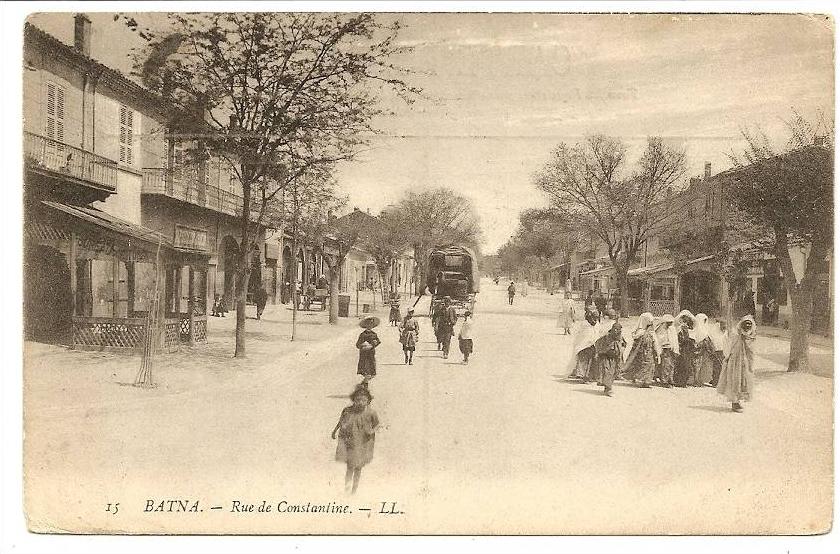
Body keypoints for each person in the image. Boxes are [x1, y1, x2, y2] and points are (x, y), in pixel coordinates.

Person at [332, 384, 380, 494]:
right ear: (354, 400)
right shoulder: (347, 410)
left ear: (368, 401)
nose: (361, 402)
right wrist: (334, 430)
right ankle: (347, 489)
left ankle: (354, 491)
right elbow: (340, 421)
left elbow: (377, 424)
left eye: (364, 400)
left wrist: (372, 431)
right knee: (350, 466)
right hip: (350, 441)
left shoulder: (371, 412)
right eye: (358, 399)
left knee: (358, 467)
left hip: (364, 442)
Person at [716, 315, 757, 413]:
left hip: (745, 362)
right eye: (745, 325)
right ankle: (734, 403)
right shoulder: (735, 335)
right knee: (734, 381)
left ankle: (738, 402)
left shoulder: (751, 337)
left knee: (744, 381)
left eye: (749, 325)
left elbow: (752, 351)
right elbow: (728, 346)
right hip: (734, 362)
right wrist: (727, 357)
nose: (747, 327)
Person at [622, 312, 660, 388]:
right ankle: (643, 381)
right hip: (641, 352)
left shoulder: (649, 331)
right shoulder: (640, 332)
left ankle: (645, 381)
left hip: (648, 352)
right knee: (643, 365)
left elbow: (655, 342)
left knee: (649, 366)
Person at [568, 310, 600, 382]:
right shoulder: (584, 324)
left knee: (592, 361)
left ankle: (590, 375)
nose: (595, 320)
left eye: (597, 318)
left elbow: (597, 335)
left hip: (592, 345)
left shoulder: (597, 324)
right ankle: (581, 375)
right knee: (583, 360)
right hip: (583, 346)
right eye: (594, 318)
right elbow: (579, 335)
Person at [595, 322, 625, 396]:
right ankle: (608, 389)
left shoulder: (620, 337)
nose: (615, 331)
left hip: (615, 359)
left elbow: (624, 345)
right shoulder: (606, 337)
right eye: (614, 329)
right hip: (606, 358)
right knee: (607, 372)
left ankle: (607, 387)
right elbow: (598, 343)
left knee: (612, 374)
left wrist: (620, 350)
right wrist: (602, 352)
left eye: (617, 329)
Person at [653, 314, 679, 387]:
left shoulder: (672, 329)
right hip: (664, 350)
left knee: (671, 365)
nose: (670, 324)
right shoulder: (660, 329)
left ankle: (670, 379)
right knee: (665, 366)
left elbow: (674, 339)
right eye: (668, 322)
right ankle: (664, 381)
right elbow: (658, 340)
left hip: (671, 350)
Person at [673, 310, 697, 388]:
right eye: (684, 320)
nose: (685, 323)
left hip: (688, 350)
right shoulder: (679, 330)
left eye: (686, 321)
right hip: (681, 349)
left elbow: (692, 340)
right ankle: (678, 381)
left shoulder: (691, 330)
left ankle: (684, 382)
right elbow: (678, 339)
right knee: (679, 365)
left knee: (686, 365)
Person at [692, 313, 716, 386]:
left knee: (701, 366)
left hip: (703, 351)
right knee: (696, 366)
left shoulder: (705, 330)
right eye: (704, 320)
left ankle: (699, 380)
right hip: (696, 351)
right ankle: (695, 380)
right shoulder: (695, 330)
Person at [356, 316, 381, 382]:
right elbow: (357, 344)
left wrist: (373, 344)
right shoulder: (362, 334)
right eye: (368, 324)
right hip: (364, 354)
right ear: (365, 325)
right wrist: (362, 345)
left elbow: (378, 341)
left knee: (371, 368)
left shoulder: (374, 334)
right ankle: (365, 382)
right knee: (365, 369)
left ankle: (366, 380)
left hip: (371, 353)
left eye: (371, 324)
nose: (369, 325)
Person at [709, 319, 730, 387]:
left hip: (725, 352)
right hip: (717, 351)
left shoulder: (726, 332)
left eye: (725, 325)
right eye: (723, 325)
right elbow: (712, 341)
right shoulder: (715, 331)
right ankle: (715, 382)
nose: (724, 327)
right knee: (717, 367)